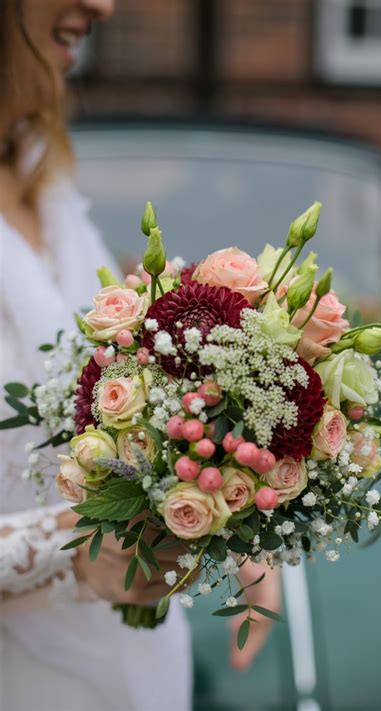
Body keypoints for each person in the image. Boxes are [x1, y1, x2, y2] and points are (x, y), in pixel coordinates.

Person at [0, 2, 280, 709]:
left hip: (137, 673)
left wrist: (225, 502)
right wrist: (75, 554)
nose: (104, 5)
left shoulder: (42, 176)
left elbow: (112, 416)